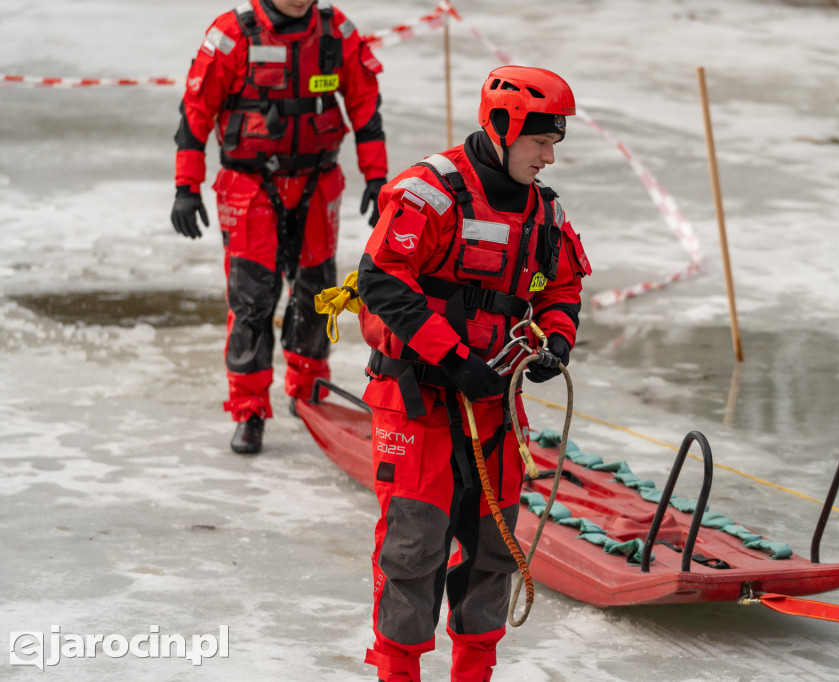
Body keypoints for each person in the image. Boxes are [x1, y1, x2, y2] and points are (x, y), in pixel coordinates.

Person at [356, 66, 592, 682]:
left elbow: (562, 286)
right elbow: (382, 280)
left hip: (494, 405)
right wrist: (455, 361)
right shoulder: (430, 192)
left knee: (494, 550)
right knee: (413, 550)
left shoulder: (546, 212)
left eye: (554, 143)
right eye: (540, 142)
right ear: (502, 126)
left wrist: (557, 342)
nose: (548, 157)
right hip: (419, 399)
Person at [170, 0, 387, 454]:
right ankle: (248, 410)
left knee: (316, 292)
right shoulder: (232, 34)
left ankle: (308, 391)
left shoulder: (337, 30)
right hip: (249, 185)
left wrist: (377, 176)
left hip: (317, 181)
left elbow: (365, 104)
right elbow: (195, 111)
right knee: (252, 298)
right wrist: (186, 186)